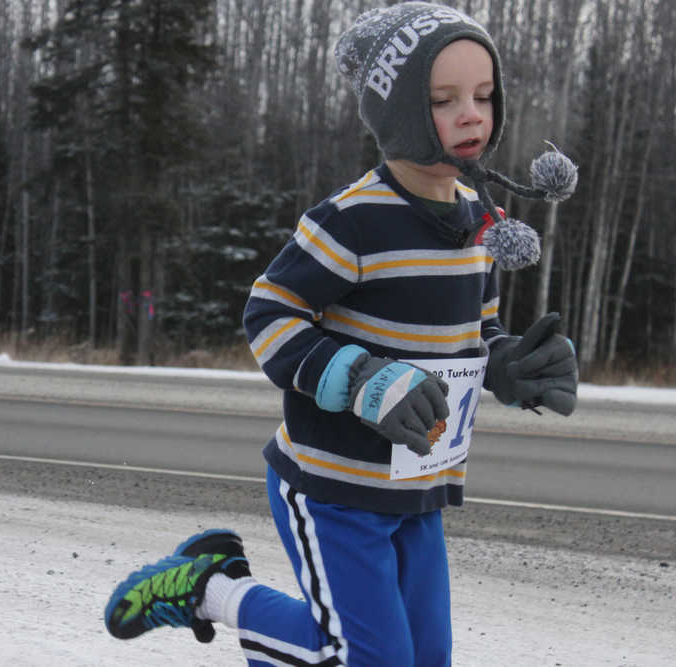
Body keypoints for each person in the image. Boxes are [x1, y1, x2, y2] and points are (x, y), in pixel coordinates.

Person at [103, 3, 579, 665]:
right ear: (400, 114)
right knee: (366, 658)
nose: (471, 112)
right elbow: (270, 315)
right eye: (444, 99)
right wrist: (362, 379)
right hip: (331, 483)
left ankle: (220, 585)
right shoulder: (353, 219)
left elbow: (478, 327)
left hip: (418, 484)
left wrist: (505, 363)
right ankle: (209, 588)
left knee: (423, 659)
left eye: (483, 94)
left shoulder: (478, 220)